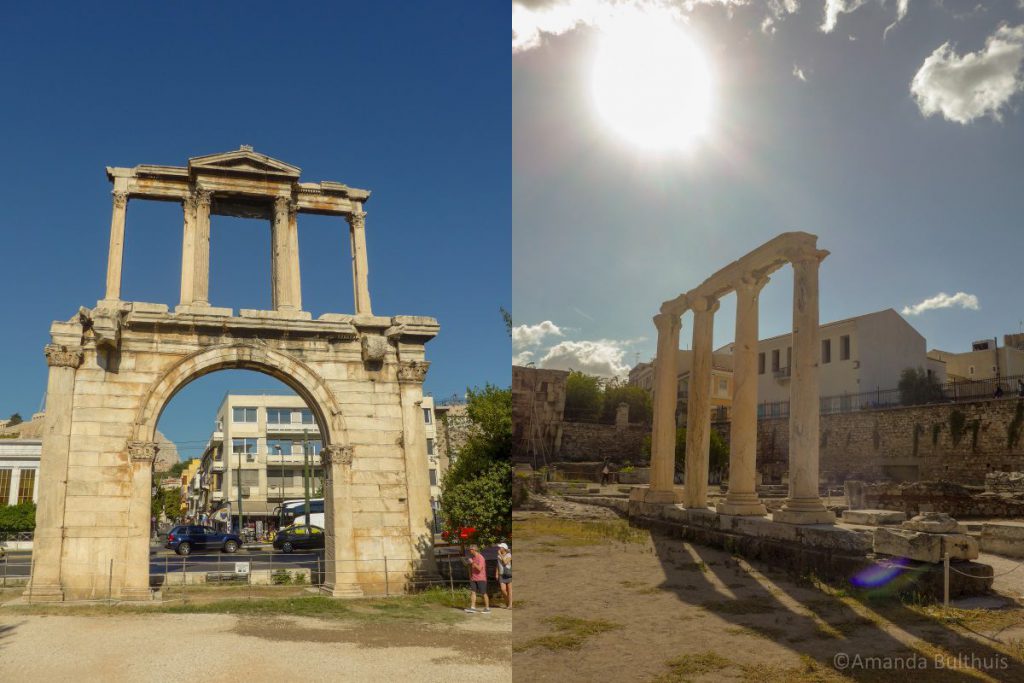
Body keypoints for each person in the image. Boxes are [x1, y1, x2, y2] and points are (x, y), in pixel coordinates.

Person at [464, 544, 490, 614]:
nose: (469, 551)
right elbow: (471, 567)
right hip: (473, 578)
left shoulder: (480, 557)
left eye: (470, 550)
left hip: (481, 578)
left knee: (484, 593)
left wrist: (472, 562)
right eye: (469, 550)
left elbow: (479, 568)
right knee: (473, 592)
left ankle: (487, 608)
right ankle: (473, 607)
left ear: (474, 550)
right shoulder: (473, 557)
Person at [496, 542, 512, 609]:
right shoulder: (498, 556)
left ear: (504, 548)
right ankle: (508, 602)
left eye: (501, 547)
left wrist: (500, 554)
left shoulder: (509, 555)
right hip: (501, 574)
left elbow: (505, 562)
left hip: (508, 574)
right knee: (503, 590)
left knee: (510, 590)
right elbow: (498, 565)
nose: (499, 548)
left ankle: (510, 605)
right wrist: (496, 573)